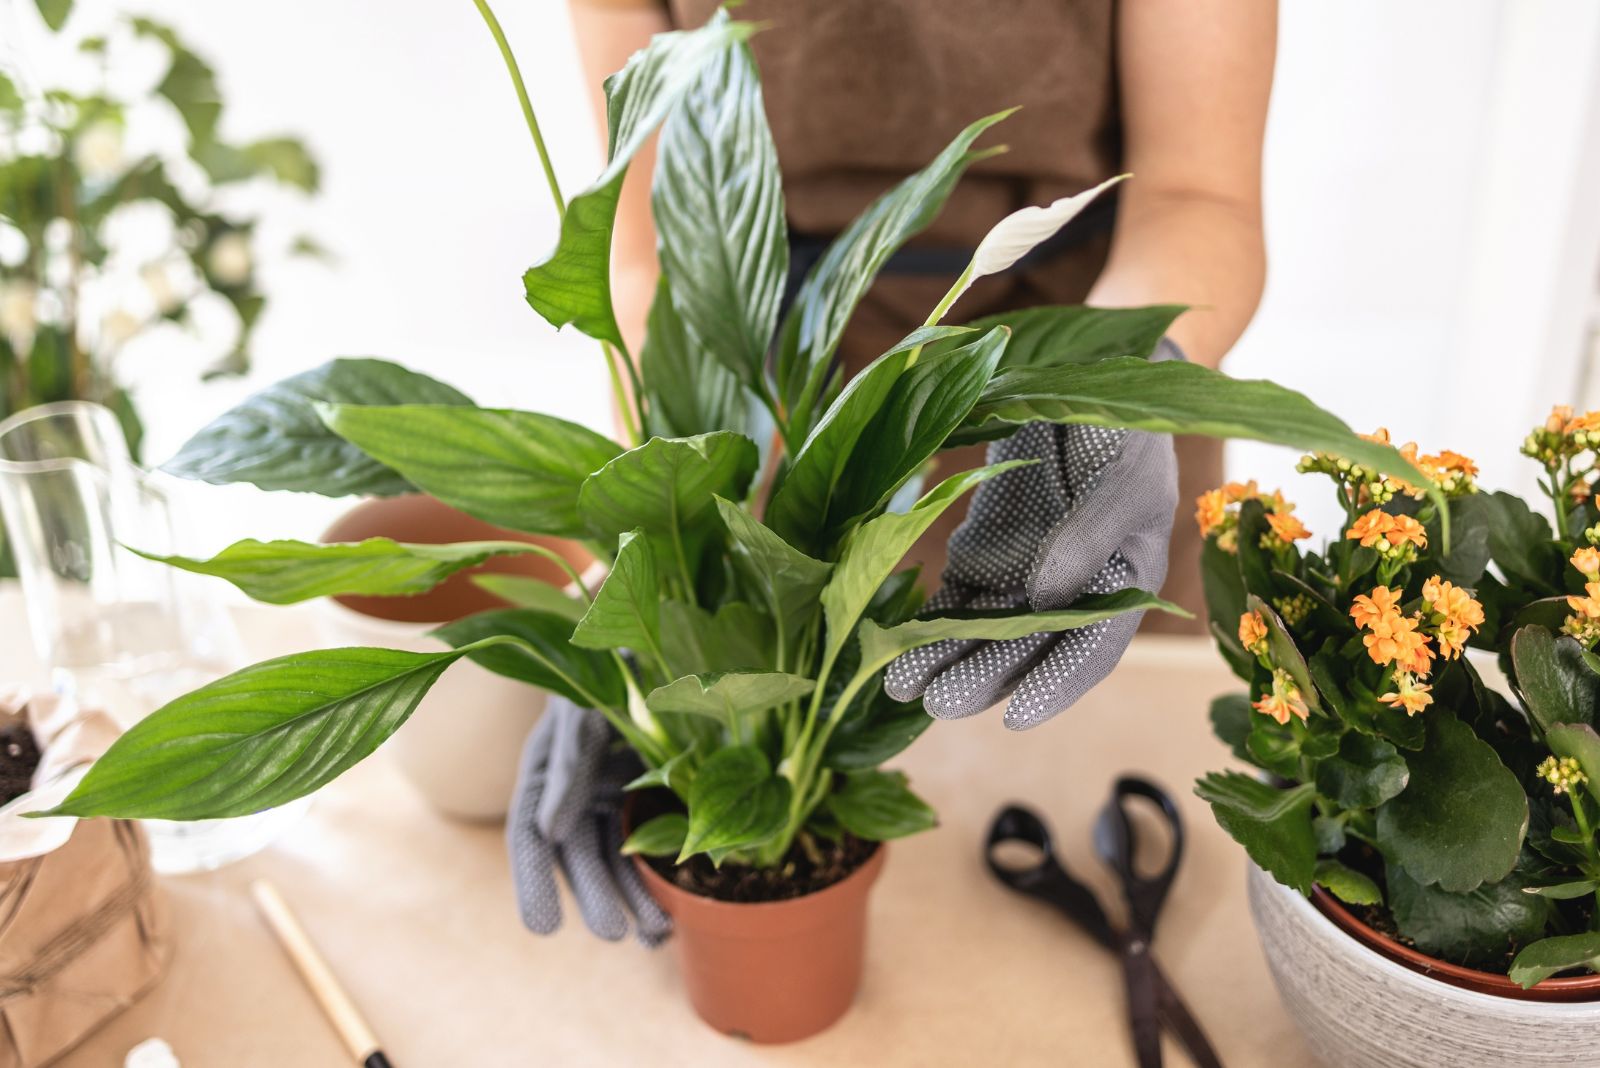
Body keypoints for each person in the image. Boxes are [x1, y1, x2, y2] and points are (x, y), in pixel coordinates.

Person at [507, 0, 1277, 942]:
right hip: (776, 394)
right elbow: (648, 256)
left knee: (1114, 761)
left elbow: (1198, 195)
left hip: (1083, 375)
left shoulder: (1098, 385)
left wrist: (1119, 383)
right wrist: (655, 573)